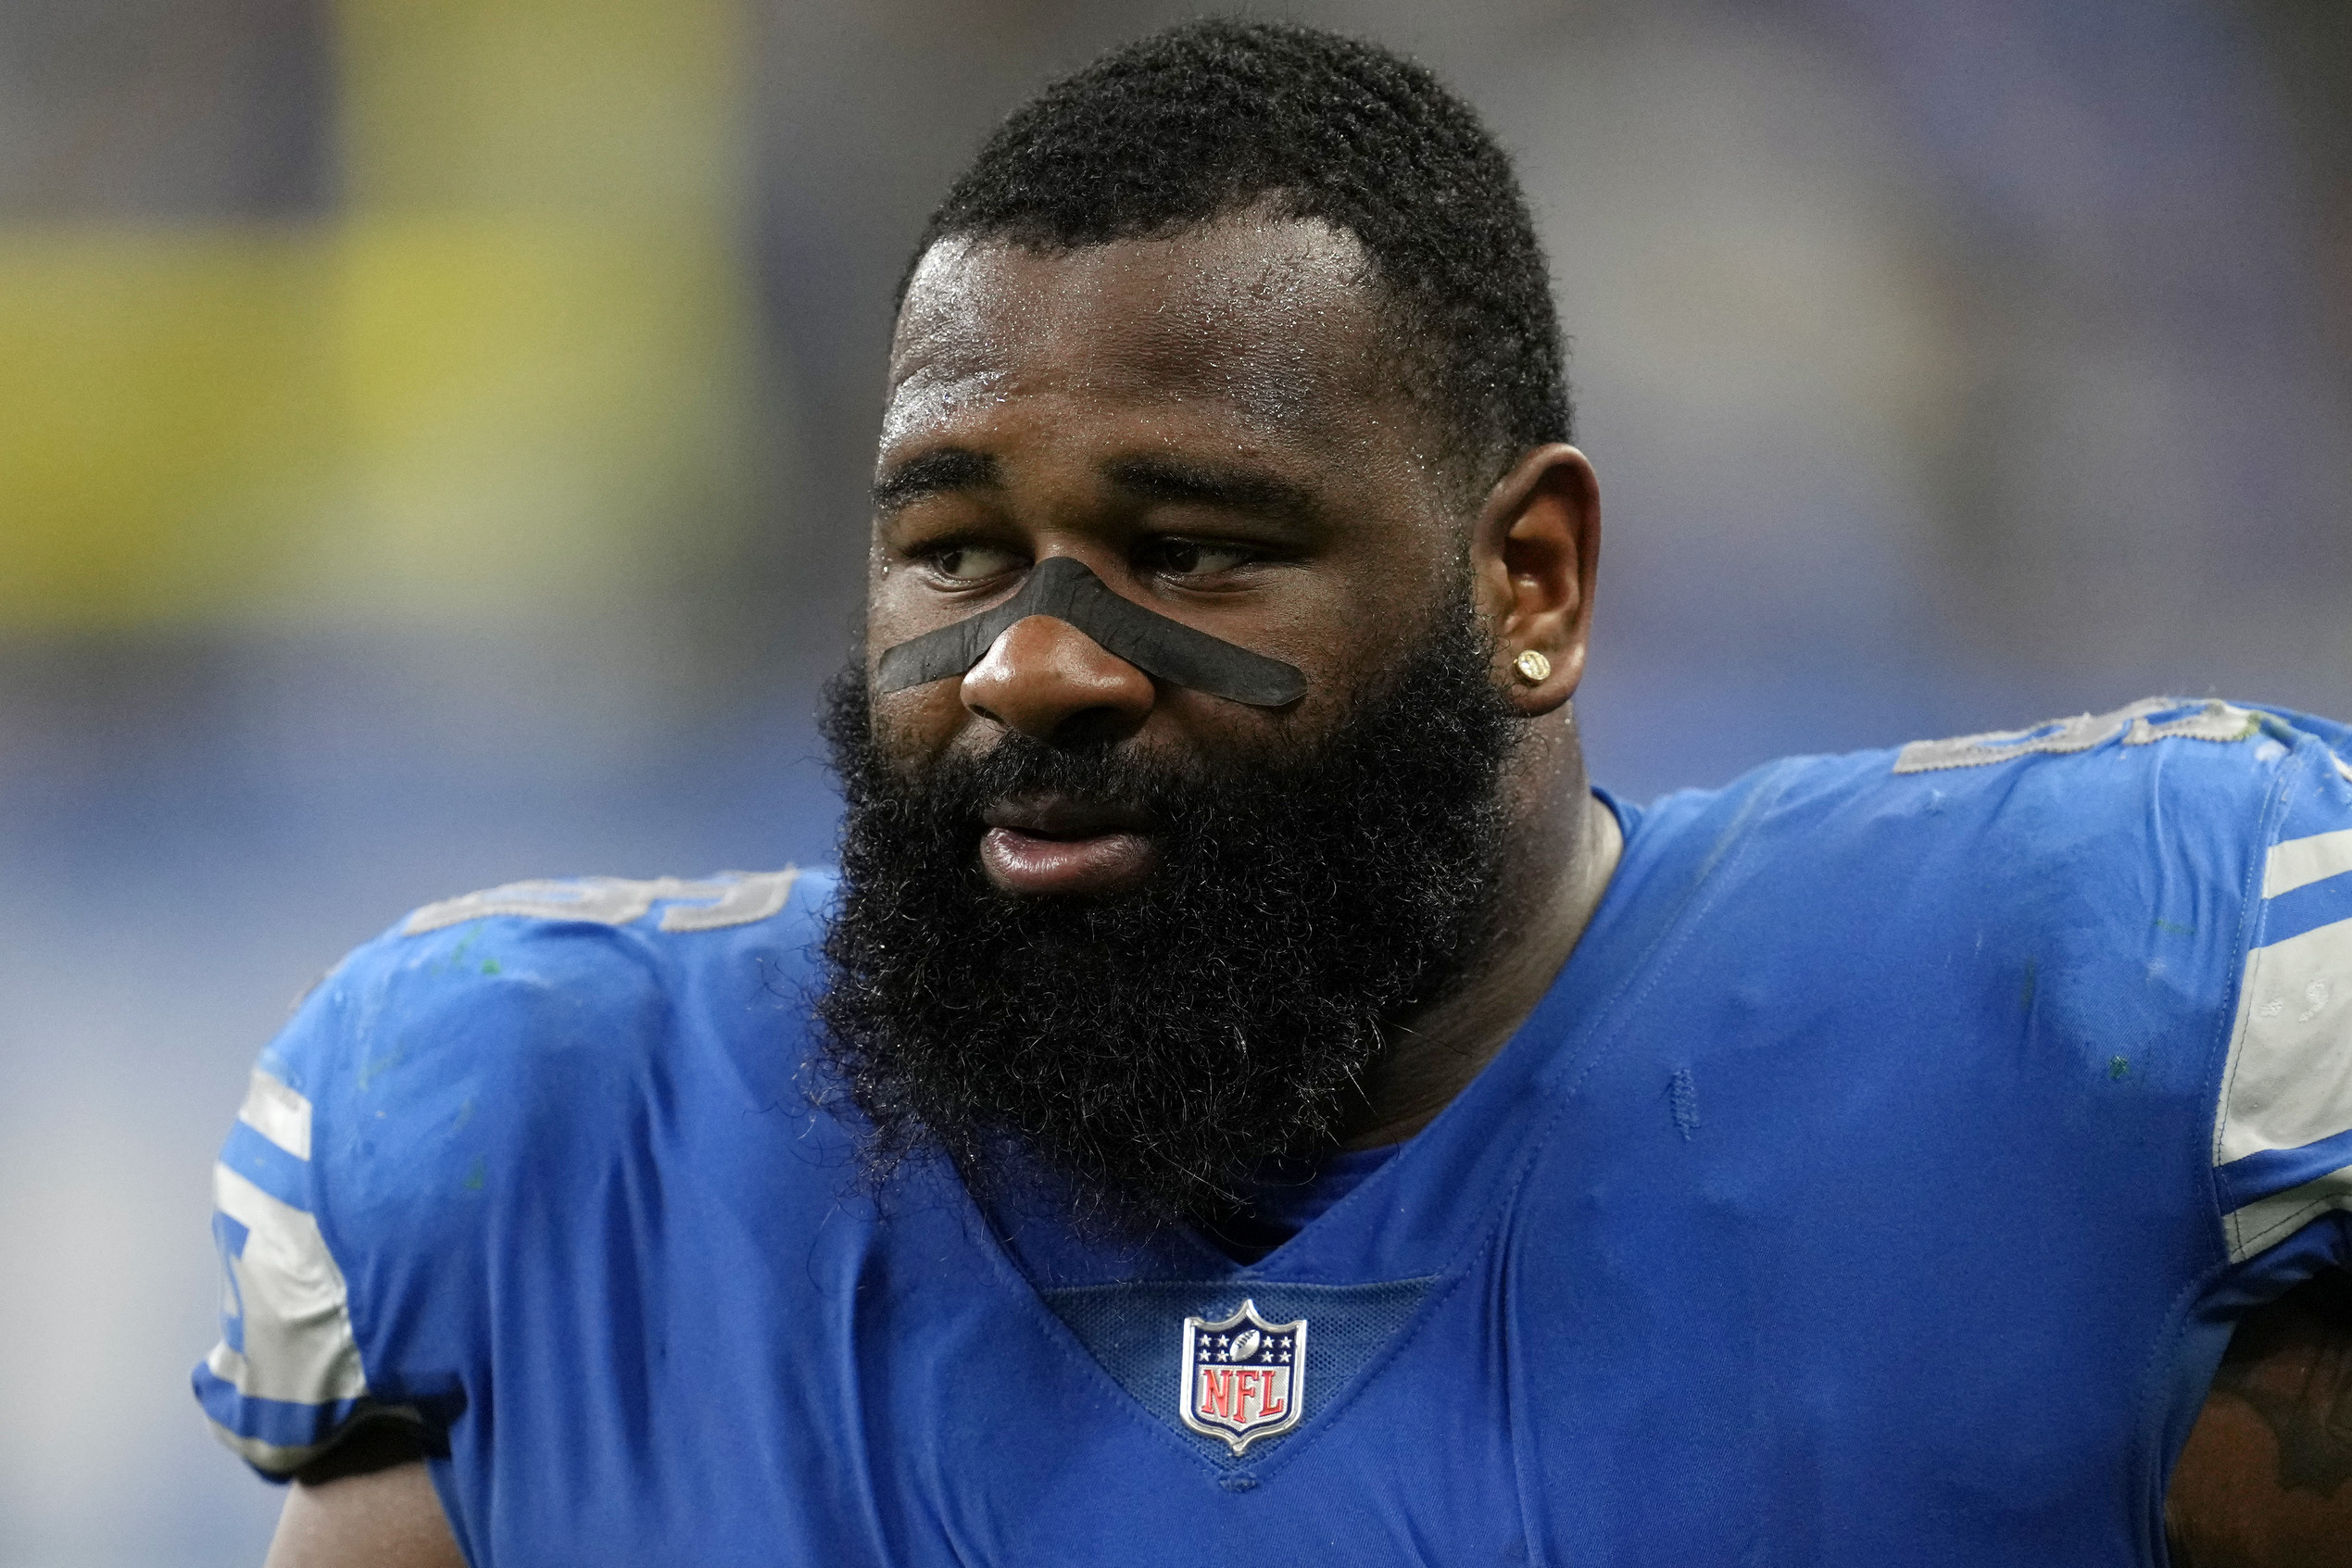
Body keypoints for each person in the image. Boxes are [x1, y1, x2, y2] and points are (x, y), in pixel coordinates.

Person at [197, 20, 2352, 1567]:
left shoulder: (2097, 1013)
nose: (1032, 658)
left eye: (1195, 544)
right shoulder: (551, 1154)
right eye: (950, 546)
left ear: (1531, 579)